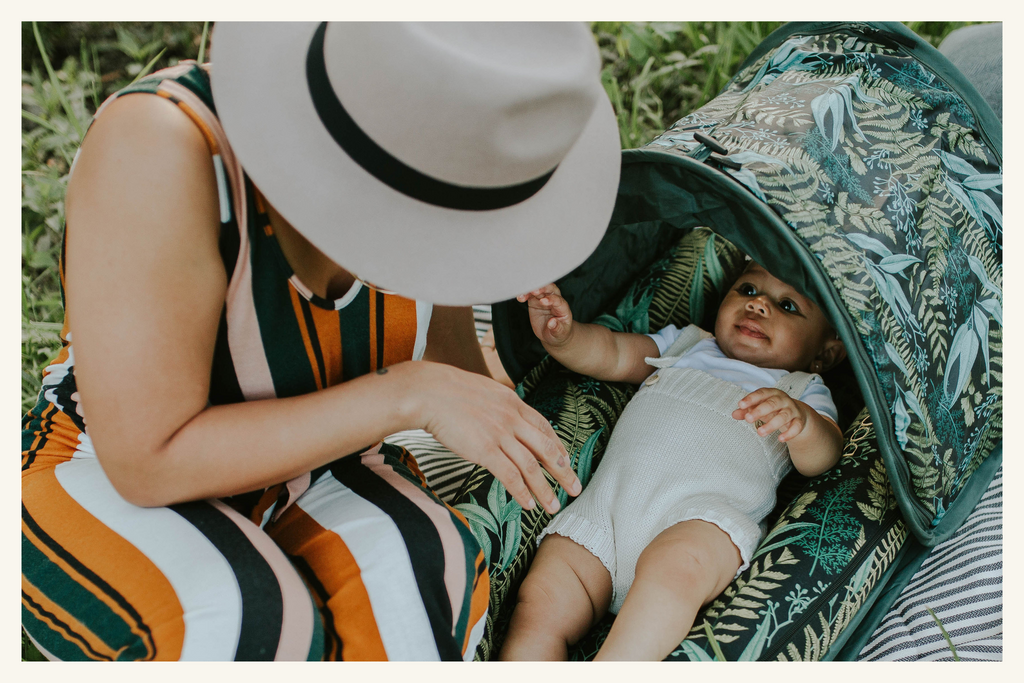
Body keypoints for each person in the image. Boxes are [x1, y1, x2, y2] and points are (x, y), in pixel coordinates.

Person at [21, 22, 622, 661]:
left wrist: (544, 340)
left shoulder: (446, 195)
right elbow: (146, 459)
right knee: (253, 621)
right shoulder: (167, 145)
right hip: (109, 466)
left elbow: (462, 379)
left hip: (318, 467)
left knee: (426, 574)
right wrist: (407, 396)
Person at [499, 261, 847, 661]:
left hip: (700, 521)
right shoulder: (685, 343)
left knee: (676, 575)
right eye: (748, 290)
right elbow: (610, 354)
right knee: (540, 607)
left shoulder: (802, 390)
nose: (759, 306)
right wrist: (565, 336)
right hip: (606, 512)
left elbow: (824, 457)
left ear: (825, 353)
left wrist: (801, 424)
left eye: (787, 306)